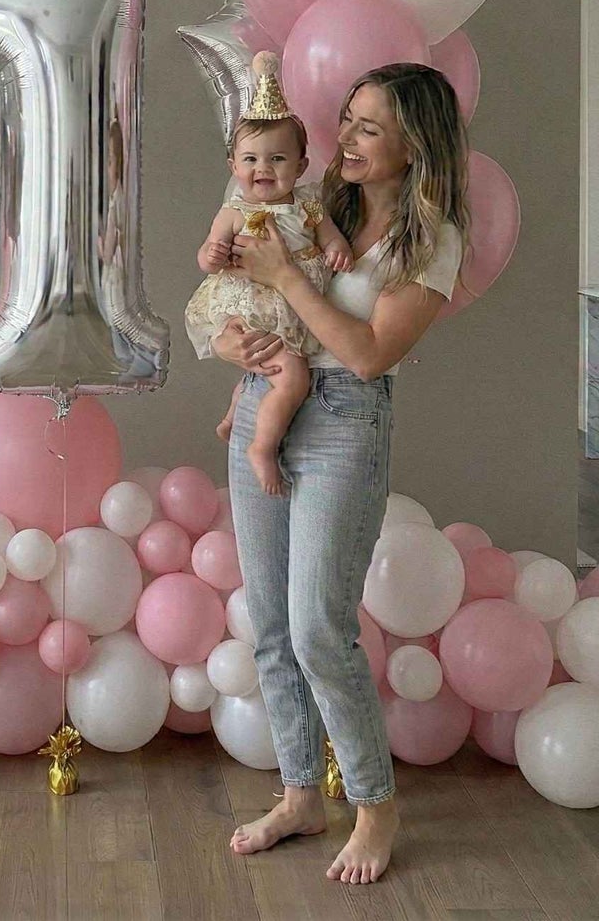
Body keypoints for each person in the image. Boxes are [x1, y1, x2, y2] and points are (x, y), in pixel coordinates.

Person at [214, 62, 469, 885]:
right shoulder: (322, 202)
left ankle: (373, 805)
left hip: (342, 424)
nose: (346, 138)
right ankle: (297, 793)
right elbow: (248, 302)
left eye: (368, 127)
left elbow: (364, 354)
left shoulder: (428, 240)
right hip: (264, 400)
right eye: (348, 119)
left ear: (413, 144)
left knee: (321, 627)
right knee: (271, 623)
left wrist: (283, 275)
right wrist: (234, 354)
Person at [184, 54, 353, 495]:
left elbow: (331, 237)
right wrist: (215, 253)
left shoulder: (309, 205)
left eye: (278, 158)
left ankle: (235, 412)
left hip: (291, 302)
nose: (264, 168)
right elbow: (206, 257)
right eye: (251, 158)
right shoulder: (234, 210)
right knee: (291, 376)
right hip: (248, 300)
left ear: (300, 166)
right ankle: (263, 445)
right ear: (233, 167)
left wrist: (337, 250)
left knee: (269, 368)